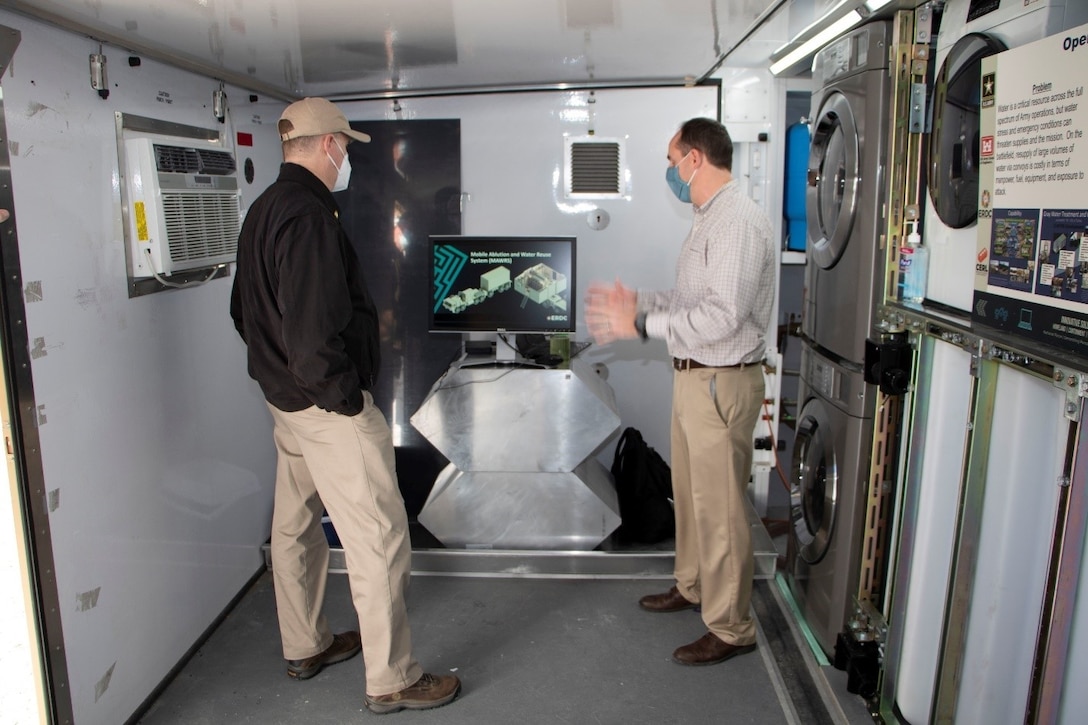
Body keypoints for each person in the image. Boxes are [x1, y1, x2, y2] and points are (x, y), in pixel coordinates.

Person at [229, 97, 460, 713]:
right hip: (325, 410)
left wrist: (286, 380)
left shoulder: (263, 210)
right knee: (379, 536)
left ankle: (305, 644)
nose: (349, 157)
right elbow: (311, 339)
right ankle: (393, 678)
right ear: (328, 145)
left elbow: (242, 314)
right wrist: (345, 404)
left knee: (295, 525)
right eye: (347, 147)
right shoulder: (307, 215)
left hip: (285, 405)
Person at [584, 117, 774, 666]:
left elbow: (721, 317)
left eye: (672, 160)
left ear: (695, 158)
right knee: (692, 499)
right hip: (696, 379)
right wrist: (639, 302)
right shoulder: (709, 218)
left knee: (720, 511)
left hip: (721, 380)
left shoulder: (736, 221)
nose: (670, 171)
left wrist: (640, 327)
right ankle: (692, 587)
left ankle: (731, 626)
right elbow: (691, 297)